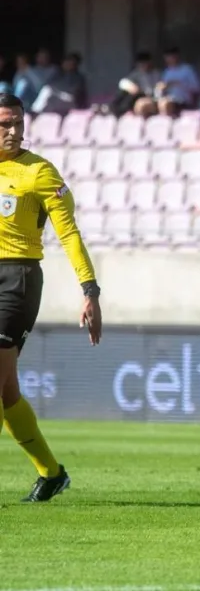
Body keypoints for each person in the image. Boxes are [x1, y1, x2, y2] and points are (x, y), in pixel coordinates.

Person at [0, 93, 103, 501]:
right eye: (4, 124)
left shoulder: (39, 172)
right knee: (7, 392)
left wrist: (89, 289)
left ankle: (52, 473)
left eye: (17, 123)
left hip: (16, 280)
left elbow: (69, 233)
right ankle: (52, 473)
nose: (12, 131)